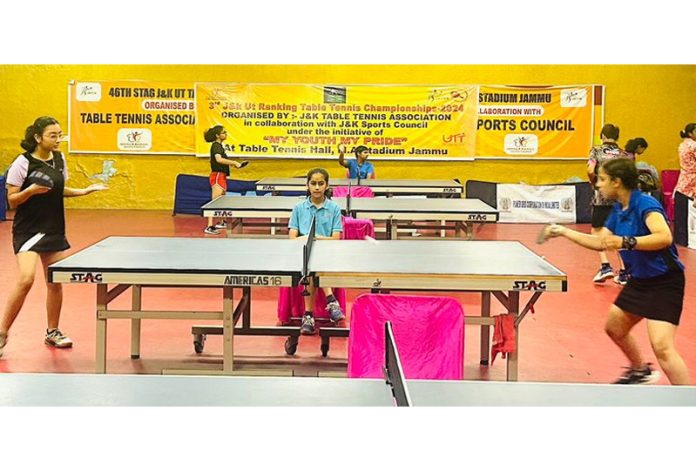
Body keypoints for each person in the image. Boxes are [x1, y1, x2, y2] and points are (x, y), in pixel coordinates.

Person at [543, 158, 690, 385]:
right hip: (640, 280)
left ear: (617, 182)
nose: (598, 185)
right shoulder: (618, 210)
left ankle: (688, 402)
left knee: (663, 348)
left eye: (602, 179)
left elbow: (664, 237)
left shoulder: (645, 205)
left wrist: (626, 241)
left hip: (664, 281)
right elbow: (601, 242)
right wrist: (563, 232)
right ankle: (640, 370)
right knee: (615, 327)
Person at [0, 116, 107, 358]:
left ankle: (53, 331)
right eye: (53, 135)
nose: (58, 139)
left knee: (55, 281)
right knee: (26, 279)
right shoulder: (23, 162)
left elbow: (59, 190)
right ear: (38, 137)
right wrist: (30, 191)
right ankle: (2, 333)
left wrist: (84, 191)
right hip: (28, 230)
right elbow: (11, 200)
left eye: (60, 135)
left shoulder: (59, 159)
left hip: (53, 227)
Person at [288, 168, 345, 335]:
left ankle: (308, 315)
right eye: (313, 183)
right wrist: (306, 239)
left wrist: (317, 239)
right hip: (303, 252)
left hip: (327, 252)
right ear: (307, 185)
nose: (317, 187)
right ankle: (331, 301)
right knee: (310, 264)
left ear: (326, 185)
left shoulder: (334, 208)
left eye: (321, 183)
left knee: (314, 265)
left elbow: (335, 238)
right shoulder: (299, 208)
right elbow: (292, 237)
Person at [586, 124, 630, 284]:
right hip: (620, 198)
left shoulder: (596, 151)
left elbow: (591, 170)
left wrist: (595, 184)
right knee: (619, 234)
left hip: (602, 197)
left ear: (603, 136)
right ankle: (624, 271)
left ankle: (605, 266)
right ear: (617, 137)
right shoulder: (624, 154)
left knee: (596, 231)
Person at [203, 125, 249, 235]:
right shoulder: (216, 146)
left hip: (222, 175)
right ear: (217, 135)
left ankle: (222, 221)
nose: (226, 134)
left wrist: (234, 165)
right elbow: (218, 159)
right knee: (214, 202)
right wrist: (234, 163)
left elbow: (222, 160)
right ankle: (209, 226)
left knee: (222, 200)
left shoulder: (219, 146)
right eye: (224, 132)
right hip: (217, 175)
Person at [673, 123, 696, 199]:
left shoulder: (682, 145)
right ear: (690, 133)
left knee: (683, 202)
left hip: (684, 177)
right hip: (693, 179)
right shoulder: (694, 145)